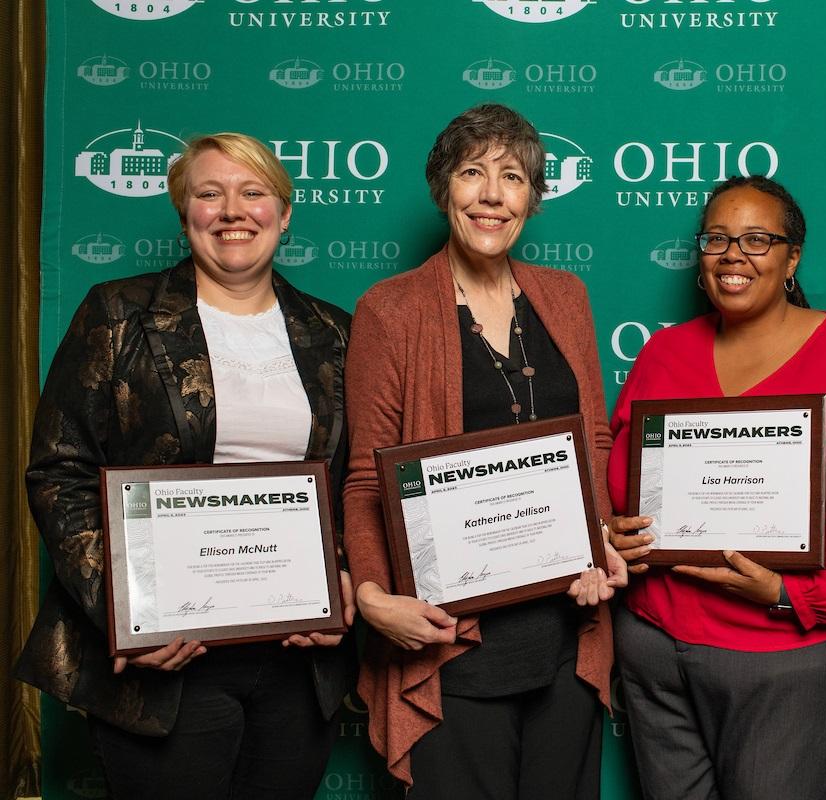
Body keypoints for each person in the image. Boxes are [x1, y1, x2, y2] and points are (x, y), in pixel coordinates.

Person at [17, 132, 356, 799]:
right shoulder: (117, 315)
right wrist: (124, 609)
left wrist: (347, 578)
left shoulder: (336, 332)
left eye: (253, 192)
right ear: (184, 214)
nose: (233, 209)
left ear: (284, 213)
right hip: (165, 664)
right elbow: (60, 473)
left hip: (294, 660)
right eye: (210, 193)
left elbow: (354, 486)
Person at [607, 175, 826, 799]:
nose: (734, 255)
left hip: (797, 658)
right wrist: (614, 530)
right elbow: (622, 478)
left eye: (757, 239)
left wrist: (790, 588)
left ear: (792, 258)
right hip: (658, 649)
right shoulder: (664, 353)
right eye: (718, 239)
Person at [342, 103, 624, 798]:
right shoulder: (392, 309)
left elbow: (591, 439)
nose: (492, 196)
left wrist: (602, 542)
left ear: (534, 196)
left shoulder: (566, 296)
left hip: (565, 631)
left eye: (513, 177)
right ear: (444, 190)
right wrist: (374, 596)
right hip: (454, 644)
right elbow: (365, 478)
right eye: (472, 173)